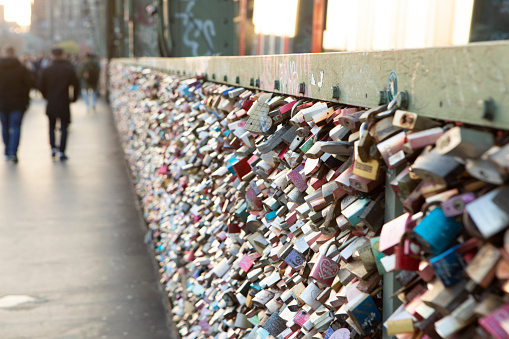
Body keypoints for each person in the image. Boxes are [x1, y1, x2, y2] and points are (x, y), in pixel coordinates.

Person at [39, 47, 80, 160]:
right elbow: (75, 85)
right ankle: (62, 151)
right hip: (63, 101)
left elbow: (41, 86)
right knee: (64, 127)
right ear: (63, 55)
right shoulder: (68, 69)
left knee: (51, 126)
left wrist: (46, 96)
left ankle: (52, 148)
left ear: (52, 55)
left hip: (51, 101)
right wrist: (73, 98)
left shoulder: (47, 69)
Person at [0, 46, 34, 162]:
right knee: (16, 127)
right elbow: (29, 84)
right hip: (18, 102)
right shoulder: (21, 68)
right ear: (14, 54)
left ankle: (7, 150)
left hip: (2, 102)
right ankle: (13, 151)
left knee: (5, 126)